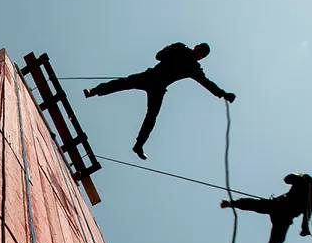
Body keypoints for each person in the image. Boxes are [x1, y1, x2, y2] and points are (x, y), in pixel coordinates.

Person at [84, 42, 235, 160]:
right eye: (200, 51)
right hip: (150, 76)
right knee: (122, 83)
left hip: (159, 87)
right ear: (196, 47)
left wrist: (223, 94)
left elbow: (207, 83)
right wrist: (170, 52)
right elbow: (158, 56)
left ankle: (139, 145)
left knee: (151, 117)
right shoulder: (180, 48)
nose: (200, 55)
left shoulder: (194, 68)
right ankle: (94, 91)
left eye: (202, 55)